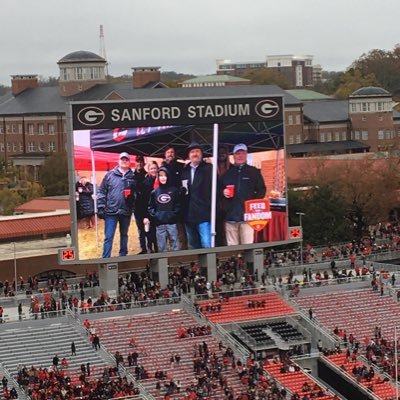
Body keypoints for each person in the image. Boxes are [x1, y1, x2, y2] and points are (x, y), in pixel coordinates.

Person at [220, 143, 266, 245]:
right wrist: (223, 192)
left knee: (248, 246)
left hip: (247, 218)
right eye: (238, 153)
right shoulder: (227, 174)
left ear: (246, 155)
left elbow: (262, 190)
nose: (240, 156)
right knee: (232, 248)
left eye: (242, 153)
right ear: (233, 156)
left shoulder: (254, 172)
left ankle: (248, 262)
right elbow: (219, 190)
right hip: (230, 217)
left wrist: (252, 204)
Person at [97, 152, 136, 258]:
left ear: (129, 162)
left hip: (125, 211)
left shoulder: (133, 176)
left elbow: (136, 192)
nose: (124, 161)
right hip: (111, 212)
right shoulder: (109, 175)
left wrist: (133, 198)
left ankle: (123, 255)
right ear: (118, 161)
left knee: (124, 235)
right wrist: (100, 207)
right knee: (108, 236)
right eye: (122, 159)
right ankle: (105, 258)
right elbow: (102, 192)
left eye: (126, 159)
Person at [181, 142, 212, 249]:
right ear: (189, 155)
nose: (195, 154)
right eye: (192, 152)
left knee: (206, 244)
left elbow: (216, 190)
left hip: (204, 214)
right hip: (188, 215)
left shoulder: (209, 169)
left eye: (197, 151)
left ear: (201, 154)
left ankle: (209, 265)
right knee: (193, 245)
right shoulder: (184, 171)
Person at [148, 167, 181, 252]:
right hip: (160, 224)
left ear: (168, 177)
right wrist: (156, 216)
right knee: (161, 246)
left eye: (165, 175)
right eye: (161, 176)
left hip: (172, 223)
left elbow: (178, 204)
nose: (163, 177)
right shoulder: (155, 192)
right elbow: (150, 206)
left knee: (175, 245)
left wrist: (173, 215)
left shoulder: (174, 191)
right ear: (158, 177)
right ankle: (163, 264)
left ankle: (175, 263)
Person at [161, 145, 187, 249]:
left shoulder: (181, 166)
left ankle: (183, 247)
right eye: (168, 152)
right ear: (165, 155)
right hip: (167, 203)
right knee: (168, 228)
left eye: (172, 152)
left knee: (180, 228)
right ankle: (170, 248)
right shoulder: (162, 169)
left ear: (174, 154)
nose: (170, 154)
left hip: (180, 202)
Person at [139, 160, 159, 253]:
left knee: (158, 234)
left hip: (160, 211)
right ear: (148, 170)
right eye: (151, 168)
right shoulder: (145, 183)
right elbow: (142, 201)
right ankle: (150, 250)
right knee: (150, 233)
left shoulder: (162, 180)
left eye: (155, 168)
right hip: (149, 212)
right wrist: (145, 216)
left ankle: (158, 250)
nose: (153, 170)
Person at [216, 144, 232, 246]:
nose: (221, 154)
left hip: (229, 205)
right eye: (219, 152)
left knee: (228, 231)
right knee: (218, 229)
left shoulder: (232, 168)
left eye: (223, 152)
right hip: (216, 205)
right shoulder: (212, 170)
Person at [132, 155, 148, 254]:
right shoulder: (131, 175)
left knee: (148, 228)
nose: (139, 163)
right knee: (140, 230)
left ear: (143, 163)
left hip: (146, 206)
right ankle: (143, 249)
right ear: (135, 163)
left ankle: (150, 247)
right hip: (136, 207)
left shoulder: (146, 175)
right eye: (137, 161)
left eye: (141, 161)